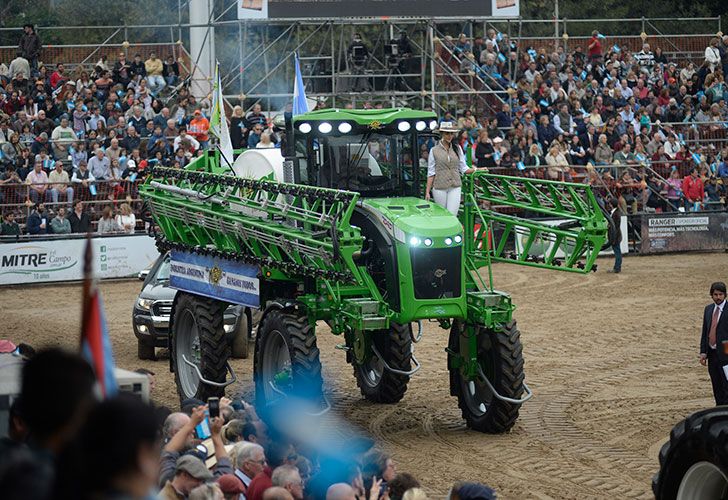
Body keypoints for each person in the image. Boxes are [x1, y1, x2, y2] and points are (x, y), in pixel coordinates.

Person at [425, 122, 483, 215]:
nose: (450, 136)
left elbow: (464, 168)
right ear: (442, 134)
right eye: (447, 133)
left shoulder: (458, 148)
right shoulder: (434, 150)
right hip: (439, 186)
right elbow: (431, 172)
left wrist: (477, 169)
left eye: (451, 133)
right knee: (442, 215)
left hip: (455, 185)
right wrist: (427, 191)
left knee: (452, 215)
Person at [699, 282, 728, 405]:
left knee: (726, 384)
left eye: (720, 294)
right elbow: (705, 331)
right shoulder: (708, 309)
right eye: (715, 294)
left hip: (726, 355)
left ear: (725, 295)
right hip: (712, 353)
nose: (718, 297)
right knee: (716, 384)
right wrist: (703, 352)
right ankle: (719, 408)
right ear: (711, 295)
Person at [606, 197, 622, 274]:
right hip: (616, 236)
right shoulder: (615, 213)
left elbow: (615, 227)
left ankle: (617, 267)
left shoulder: (615, 214)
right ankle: (617, 267)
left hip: (615, 236)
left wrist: (613, 238)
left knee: (617, 252)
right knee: (617, 251)